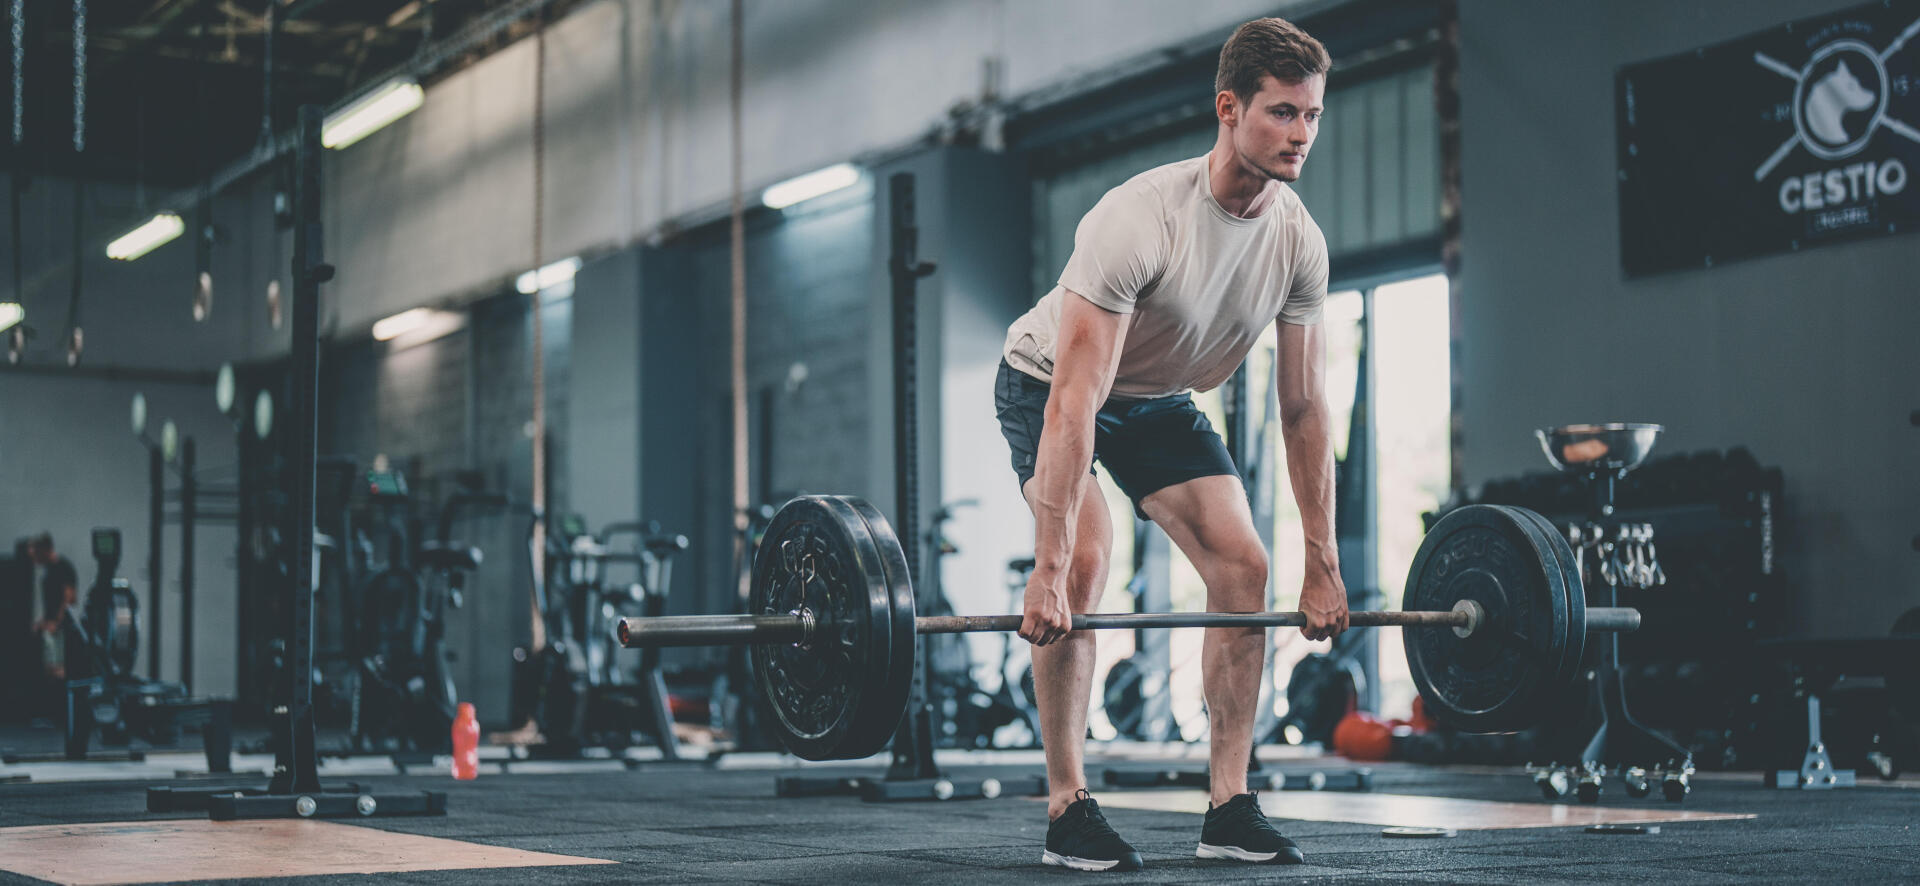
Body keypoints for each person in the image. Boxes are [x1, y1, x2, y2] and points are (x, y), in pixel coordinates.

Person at [994, 16, 1348, 872]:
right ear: (1229, 108)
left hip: (1157, 398)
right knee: (1084, 564)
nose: (1301, 133)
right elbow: (1076, 405)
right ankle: (1066, 806)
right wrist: (1045, 568)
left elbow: (1301, 408)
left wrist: (1323, 558)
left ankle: (1229, 805)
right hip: (1052, 382)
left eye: (1311, 115)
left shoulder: (1298, 241)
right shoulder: (1141, 217)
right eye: (1281, 113)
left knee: (1243, 568)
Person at [27, 532, 79, 681]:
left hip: (61, 628)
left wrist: (56, 623)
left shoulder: (64, 567)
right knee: (47, 670)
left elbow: (69, 600)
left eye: (37, 553)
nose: (35, 558)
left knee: (57, 671)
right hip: (51, 626)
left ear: (46, 550)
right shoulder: (48, 570)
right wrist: (43, 622)